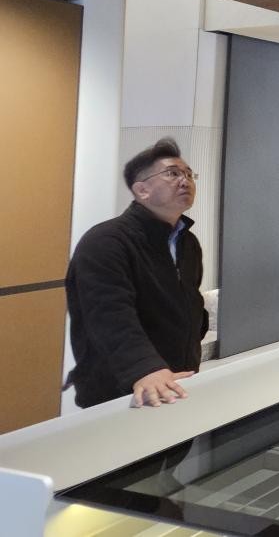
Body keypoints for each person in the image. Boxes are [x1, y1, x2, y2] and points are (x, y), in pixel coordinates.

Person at [65, 138, 207, 408]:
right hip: (124, 390)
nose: (185, 181)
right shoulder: (105, 242)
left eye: (189, 174)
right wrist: (145, 368)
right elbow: (109, 315)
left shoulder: (188, 243)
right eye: (172, 173)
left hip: (175, 382)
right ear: (142, 190)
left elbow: (189, 303)